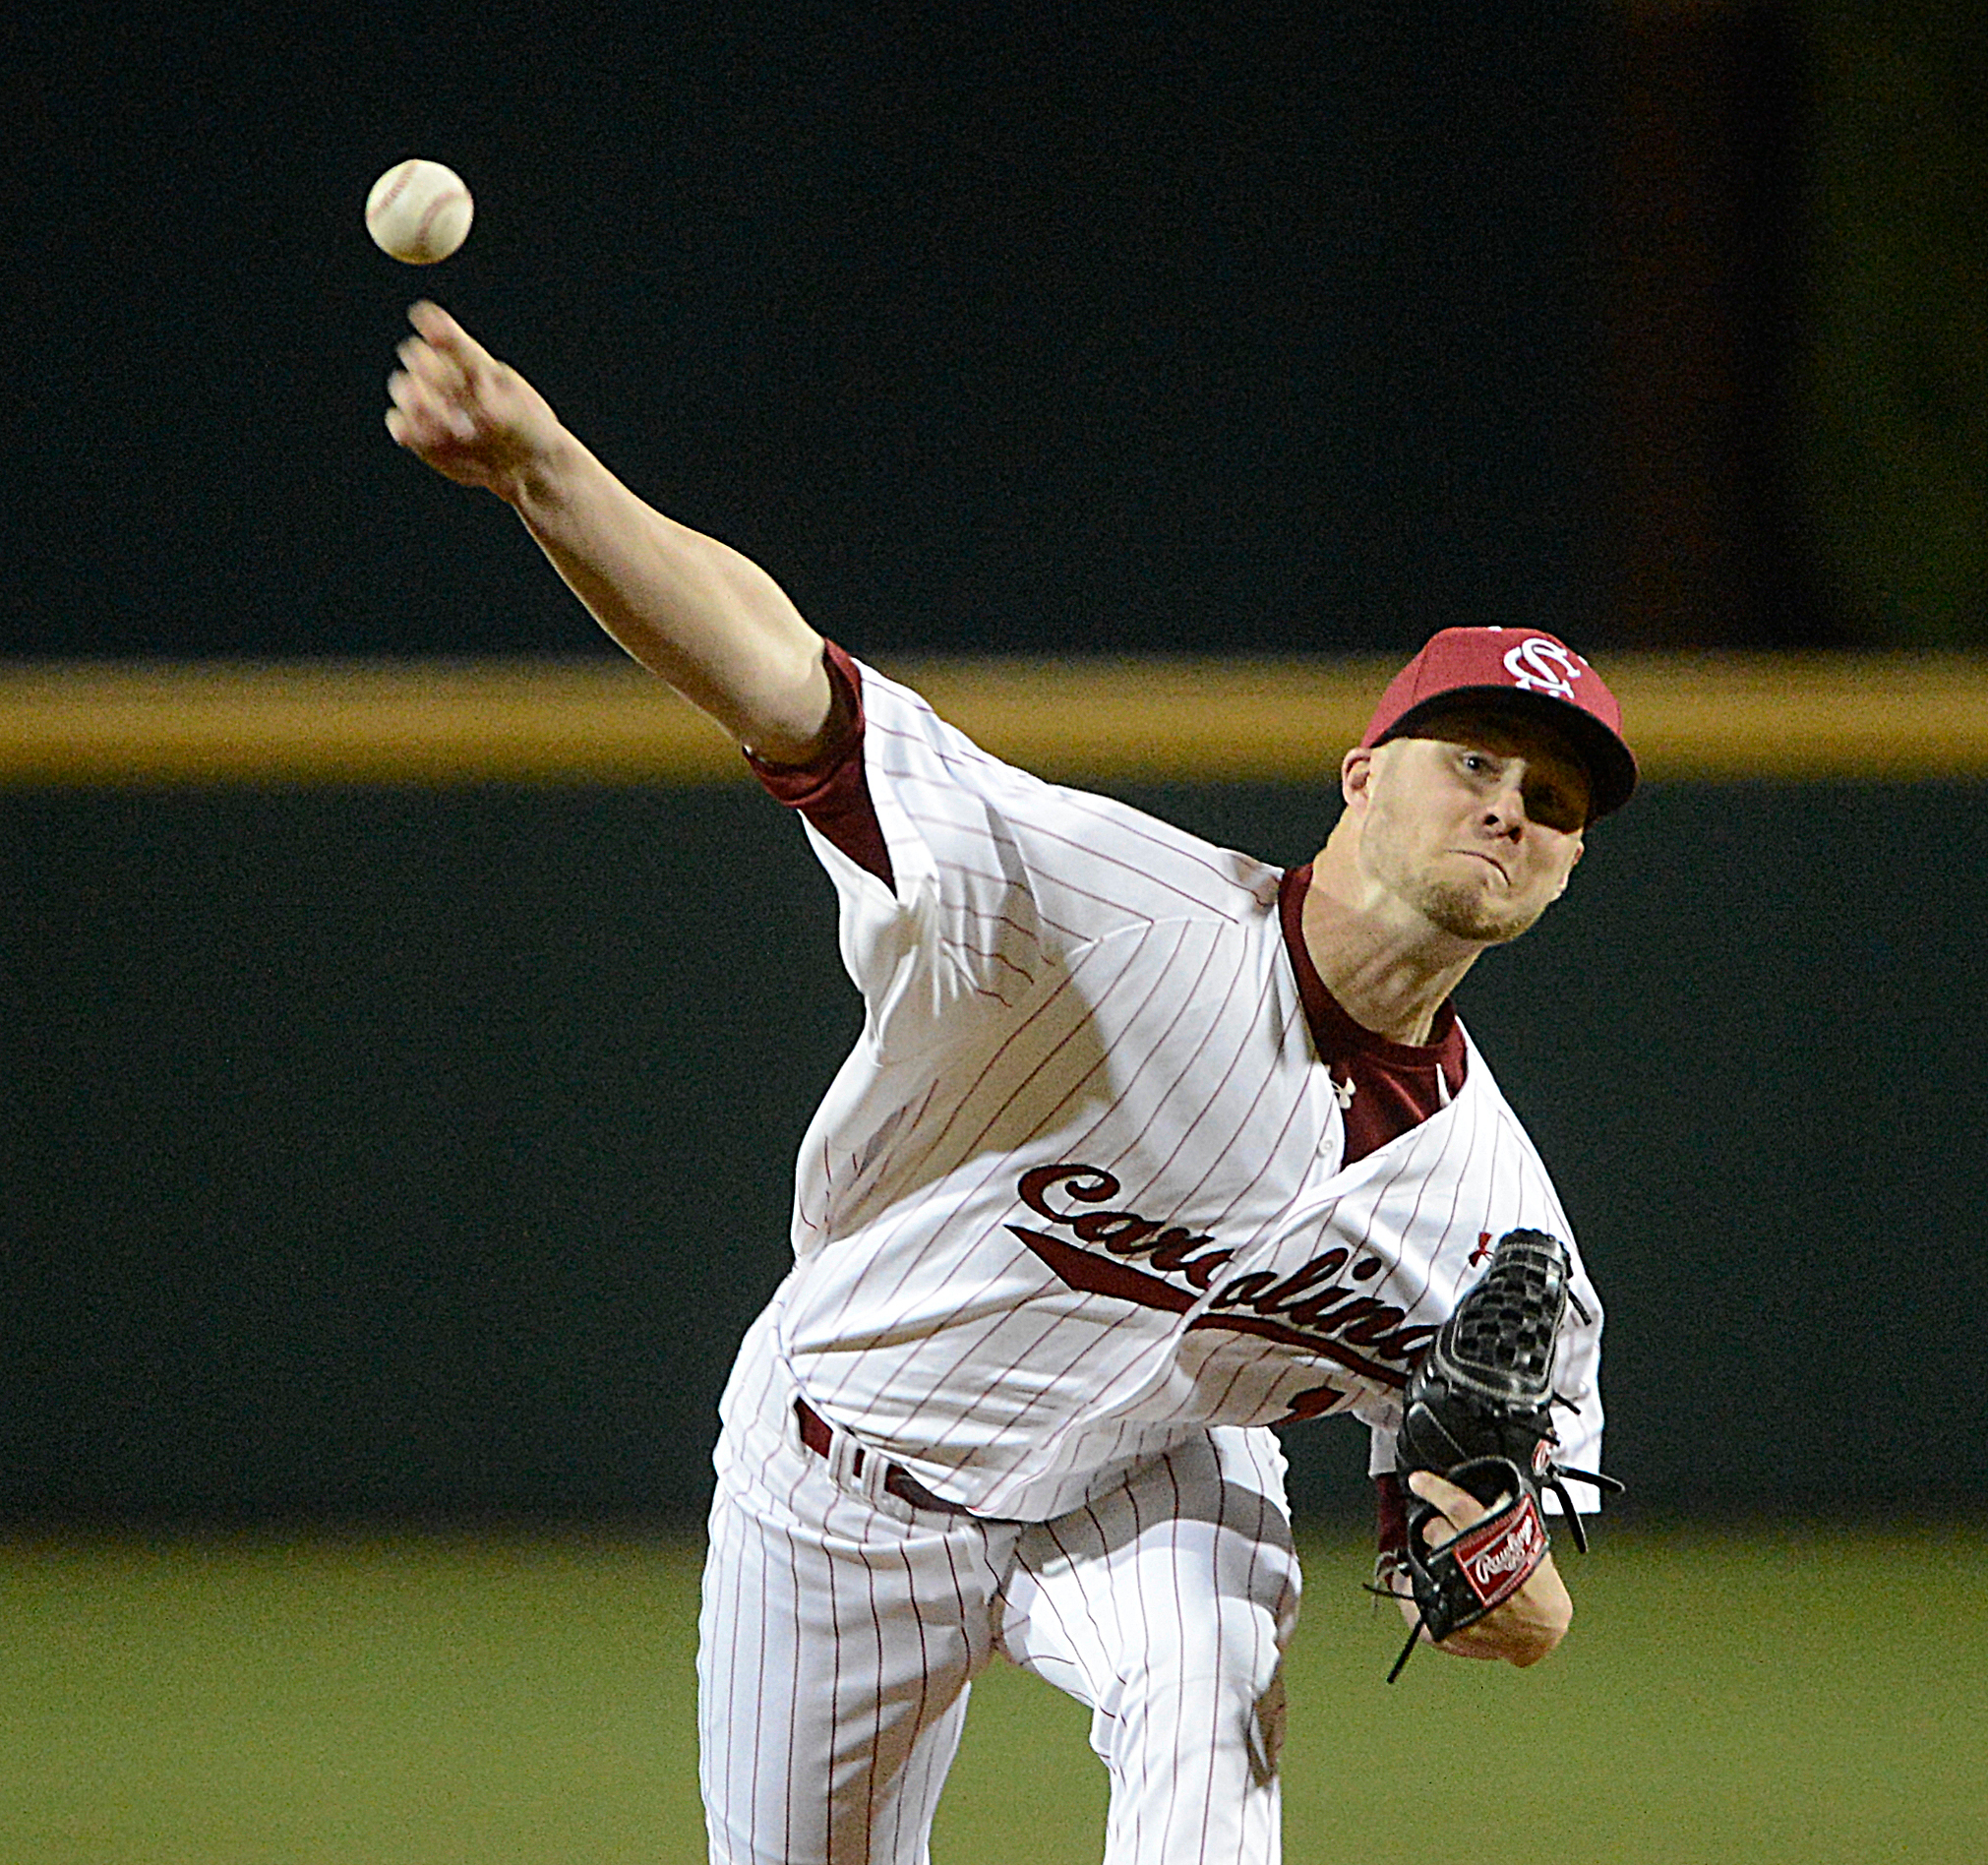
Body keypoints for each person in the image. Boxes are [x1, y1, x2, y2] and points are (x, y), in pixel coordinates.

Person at [385, 300, 1633, 1865]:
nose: (1512, 809)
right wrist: (544, 471)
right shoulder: (1098, 908)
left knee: (1204, 1702)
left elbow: (1511, 1625)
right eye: (1476, 762)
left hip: (1142, 1487)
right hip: (841, 1470)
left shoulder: (1498, 1223)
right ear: (1365, 772)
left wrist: (1488, 1545)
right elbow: (789, 691)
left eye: (1555, 801)